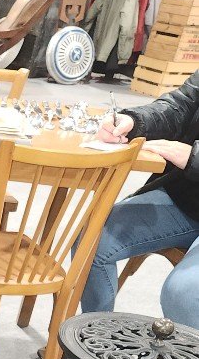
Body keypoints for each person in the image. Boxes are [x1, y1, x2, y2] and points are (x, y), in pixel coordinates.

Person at [81, 71, 199, 328]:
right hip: (187, 200)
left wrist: (194, 157)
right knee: (90, 240)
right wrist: (134, 121)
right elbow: (179, 106)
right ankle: (95, 344)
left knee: (185, 295)